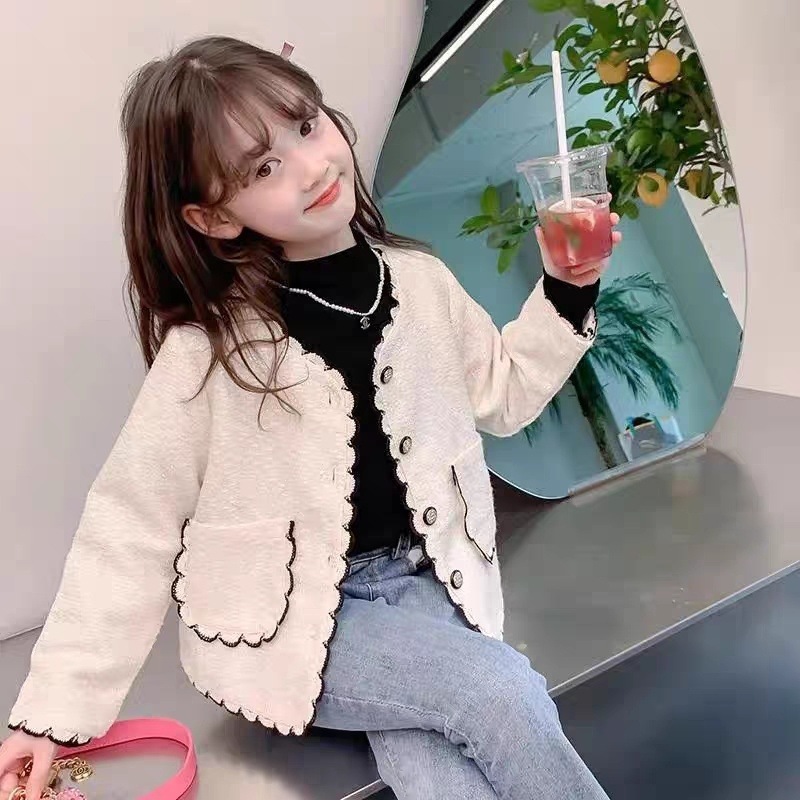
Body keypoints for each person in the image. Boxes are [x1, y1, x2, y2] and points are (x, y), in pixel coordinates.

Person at [0, 35, 621, 800]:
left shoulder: (421, 284)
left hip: (432, 582)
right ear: (213, 216)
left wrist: (566, 289)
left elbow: (504, 394)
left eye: (306, 124)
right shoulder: (211, 352)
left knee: (441, 777)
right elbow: (130, 525)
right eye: (262, 168)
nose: (311, 165)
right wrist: (53, 715)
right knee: (497, 692)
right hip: (300, 629)